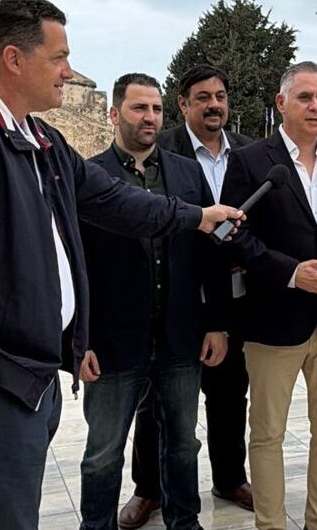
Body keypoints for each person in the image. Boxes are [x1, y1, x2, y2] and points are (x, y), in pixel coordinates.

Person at [0, 0, 241, 530]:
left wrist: (197, 216)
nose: (68, 72)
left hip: (33, 375)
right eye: (59, 58)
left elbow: (115, 201)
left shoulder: (40, 137)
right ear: (14, 58)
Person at [221, 62, 317, 530]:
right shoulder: (251, 161)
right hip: (273, 323)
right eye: (305, 97)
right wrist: (293, 274)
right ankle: (270, 525)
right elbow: (234, 235)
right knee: (267, 435)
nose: (316, 107)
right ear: (281, 103)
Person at [78, 72, 230, 530]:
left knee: (183, 444)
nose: (150, 117)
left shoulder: (186, 172)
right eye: (139, 108)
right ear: (114, 113)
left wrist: (217, 323)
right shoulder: (91, 177)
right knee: (103, 453)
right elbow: (76, 263)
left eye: (157, 109)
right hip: (113, 341)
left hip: (180, 337)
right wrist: (78, 340)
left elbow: (210, 250)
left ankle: (185, 522)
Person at [118, 65, 254, 528]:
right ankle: (149, 489)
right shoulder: (161, 149)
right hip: (172, 297)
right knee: (155, 403)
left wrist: (248, 257)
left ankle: (230, 477)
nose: (214, 105)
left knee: (230, 393)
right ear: (183, 104)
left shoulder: (247, 153)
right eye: (203, 97)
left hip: (231, 297)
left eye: (220, 96)